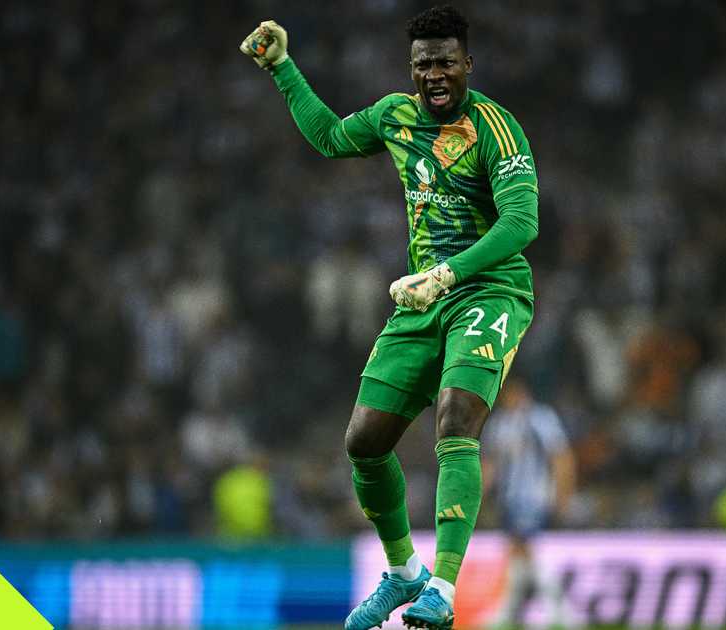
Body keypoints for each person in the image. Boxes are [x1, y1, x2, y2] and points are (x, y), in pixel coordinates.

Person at [240, 5, 539, 629]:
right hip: (421, 298)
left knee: (456, 419)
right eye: (423, 64)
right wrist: (282, 67)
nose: (434, 74)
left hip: (488, 292)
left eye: (446, 63)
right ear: (412, 68)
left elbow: (521, 222)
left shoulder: (496, 129)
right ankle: (405, 573)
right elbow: (330, 137)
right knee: (364, 442)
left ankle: (445, 590)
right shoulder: (394, 116)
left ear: (468, 65)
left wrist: (447, 274)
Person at [484, 380, 575, 628]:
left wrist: (563, 494)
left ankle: (557, 610)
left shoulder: (541, 418)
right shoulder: (500, 422)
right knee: (517, 550)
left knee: (525, 548)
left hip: (534, 495)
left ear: (522, 392)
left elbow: (561, 457)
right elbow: (491, 463)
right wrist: (479, 495)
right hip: (509, 497)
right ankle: (513, 610)